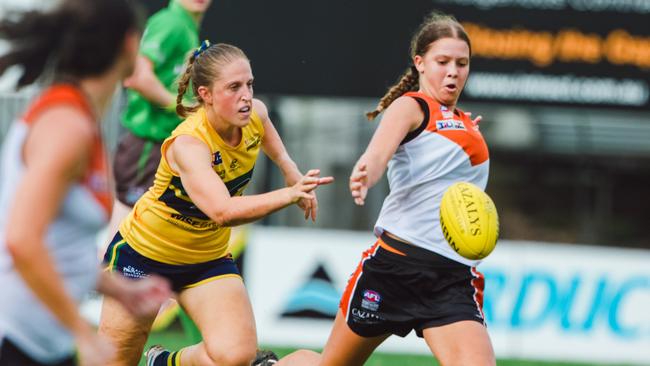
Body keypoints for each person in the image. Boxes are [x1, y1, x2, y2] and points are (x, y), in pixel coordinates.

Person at [276, 11, 495, 366]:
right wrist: (368, 170)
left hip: (450, 279)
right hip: (394, 269)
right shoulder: (410, 106)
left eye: (462, 63)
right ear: (420, 63)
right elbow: (381, 150)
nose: (453, 71)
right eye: (443, 61)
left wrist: (464, 130)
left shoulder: (467, 123)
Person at [98, 41, 333, 366]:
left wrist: (289, 169)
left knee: (237, 356)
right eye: (234, 87)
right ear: (205, 94)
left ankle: (164, 362)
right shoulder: (190, 144)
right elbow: (221, 212)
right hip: (145, 255)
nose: (246, 96)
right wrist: (289, 194)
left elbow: (268, 134)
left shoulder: (256, 115)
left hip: (205, 260)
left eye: (249, 84)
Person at [0, 1, 171, 366]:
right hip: (13, 340)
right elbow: (21, 241)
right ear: (129, 44)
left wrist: (122, 289)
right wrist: (81, 331)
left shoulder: (80, 118)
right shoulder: (67, 125)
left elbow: (60, 247)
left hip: (43, 345)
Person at [107, 0, 213, 249]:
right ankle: (104, 284)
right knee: (125, 229)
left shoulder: (186, 26)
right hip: (147, 142)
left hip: (161, 144)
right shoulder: (171, 23)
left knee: (143, 229)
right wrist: (185, 110)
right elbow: (137, 77)